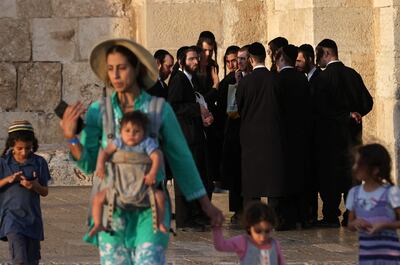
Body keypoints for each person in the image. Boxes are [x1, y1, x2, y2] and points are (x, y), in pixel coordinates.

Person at [60, 38, 223, 264]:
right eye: (110, 69)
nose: (115, 75)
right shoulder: (100, 111)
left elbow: (181, 159)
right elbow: (88, 163)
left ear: (136, 69)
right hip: (111, 211)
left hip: (150, 210)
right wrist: (70, 138)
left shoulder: (159, 110)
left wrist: (206, 204)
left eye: (122, 67)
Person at [313, 39, 373, 227]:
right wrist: (355, 114)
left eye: (319, 56)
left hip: (330, 138)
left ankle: (330, 215)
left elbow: (320, 109)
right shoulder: (352, 75)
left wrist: (344, 115)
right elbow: (368, 102)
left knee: (330, 176)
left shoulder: (323, 79)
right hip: (352, 138)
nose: (317, 61)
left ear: (327, 54)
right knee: (351, 176)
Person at [89, 111, 167, 237]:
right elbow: (104, 152)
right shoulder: (119, 142)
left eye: (136, 131)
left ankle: (160, 223)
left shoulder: (146, 143)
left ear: (143, 132)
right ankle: (97, 223)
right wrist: (100, 166)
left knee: (160, 197)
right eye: (128, 130)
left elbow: (157, 156)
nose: (131, 134)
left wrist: (152, 173)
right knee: (98, 197)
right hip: (118, 191)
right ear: (121, 132)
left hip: (142, 191)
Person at [168, 45, 214, 231]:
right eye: (191, 59)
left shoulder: (190, 79)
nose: (195, 62)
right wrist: (197, 109)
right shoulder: (178, 79)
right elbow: (173, 106)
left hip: (193, 136)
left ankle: (194, 215)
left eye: (196, 58)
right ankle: (184, 219)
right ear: (181, 62)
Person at [236, 42, 285, 212]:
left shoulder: (245, 82)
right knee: (273, 177)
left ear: (250, 59)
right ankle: (277, 216)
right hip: (273, 135)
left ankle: (251, 215)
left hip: (250, 136)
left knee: (252, 179)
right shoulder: (276, 79)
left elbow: (239, 108)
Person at [0, 120, 51, 265]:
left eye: (28, 148)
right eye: (19, 148)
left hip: (33, 220)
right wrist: (8, 179)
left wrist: (34, 185)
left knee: (32, 261)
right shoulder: (3, 163)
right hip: (11, 219)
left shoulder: (39, 162)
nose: (24, 152)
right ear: (12, 145)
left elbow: (45, 191)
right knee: (20, 261)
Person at [275, 45, 311, 229]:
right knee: (300, 175)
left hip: (283, 135)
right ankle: (302, 216)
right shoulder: (302, 78)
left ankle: (286, 218)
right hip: (301, 134)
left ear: (281, 59)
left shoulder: (278, 80)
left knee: (285, 177)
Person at [346, 143, 400, 264]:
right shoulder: (354, 194)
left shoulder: (391, 192)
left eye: (359, 164)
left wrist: (385, 225)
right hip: (366, 258)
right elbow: (350, 225)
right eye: (354, 163)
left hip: (390, 258)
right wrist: (356, 223)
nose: (354, 168)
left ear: (375, 170)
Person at [219, 45, 252, 224]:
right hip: (233, 132)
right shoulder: (227, 81)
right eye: (231, 61)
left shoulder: (253, 78)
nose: (235, 64)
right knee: (235, 172)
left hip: (249, 131)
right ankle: (237, 210)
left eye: (238, 59)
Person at [213, 201, 286, 265]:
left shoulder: (274, 244)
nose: (262, 236)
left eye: (267, 231)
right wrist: (217, 228)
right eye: (258, 231)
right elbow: (221, 246)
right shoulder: (243, 242)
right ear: (249, 227)